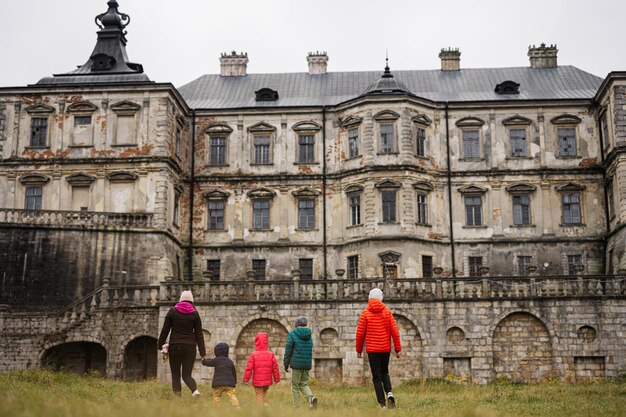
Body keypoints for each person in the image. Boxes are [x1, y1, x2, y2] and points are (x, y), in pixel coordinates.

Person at [355, 287, 402, 409]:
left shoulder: (365, 313)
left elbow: (360, 333)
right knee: (385, 372)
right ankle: (390, 393)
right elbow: (395, 332)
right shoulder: (387, 312)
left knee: (376, 377)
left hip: (372, 350)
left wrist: (359, 350)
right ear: (381, 298)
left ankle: (382, 405)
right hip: (385, 349)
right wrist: (397, 349)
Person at [157, 290, 206, 397]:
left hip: (175, 346)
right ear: (191, 301)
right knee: (187, 375)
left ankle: (178, 398)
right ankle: (195, 392)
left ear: (180, 300)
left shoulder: (172, 311)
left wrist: (160, 344)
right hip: (190, 347)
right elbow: (199, 335)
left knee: (175, 374)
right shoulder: (195, 314)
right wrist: (203, 353)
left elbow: (165, 330)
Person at [284, 316, 318, 409]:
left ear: (296, 324)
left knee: (295, 386)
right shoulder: (309, 334)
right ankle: (311, 398)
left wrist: (286, 364)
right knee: (304, 384)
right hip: (306, 364)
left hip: (296, 364)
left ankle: (297, 408)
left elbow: (288, 350)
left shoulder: (293, 333)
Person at [242, 332, 280, 405]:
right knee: (265, 392)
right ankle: (265, 407)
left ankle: (260, 411)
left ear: (256, 342)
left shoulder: (253, 354)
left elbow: (249, 368)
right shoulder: (270, 354)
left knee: (259, 394)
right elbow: (275, 367)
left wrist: (246, 379)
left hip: (257, 381)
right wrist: (276, 379)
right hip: (267, 380)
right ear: (266, 342)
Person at [202, 342, 239, 407]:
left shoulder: (216, 360)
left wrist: (204, 361)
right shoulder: (230, 361)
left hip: (218, 384)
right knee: (232, 395)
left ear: (216, 352)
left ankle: (216, 407)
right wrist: (234, 382)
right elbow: (234, 372)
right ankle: (236, 406)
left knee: (216, 396)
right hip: (229, 384)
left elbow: (209, 362)